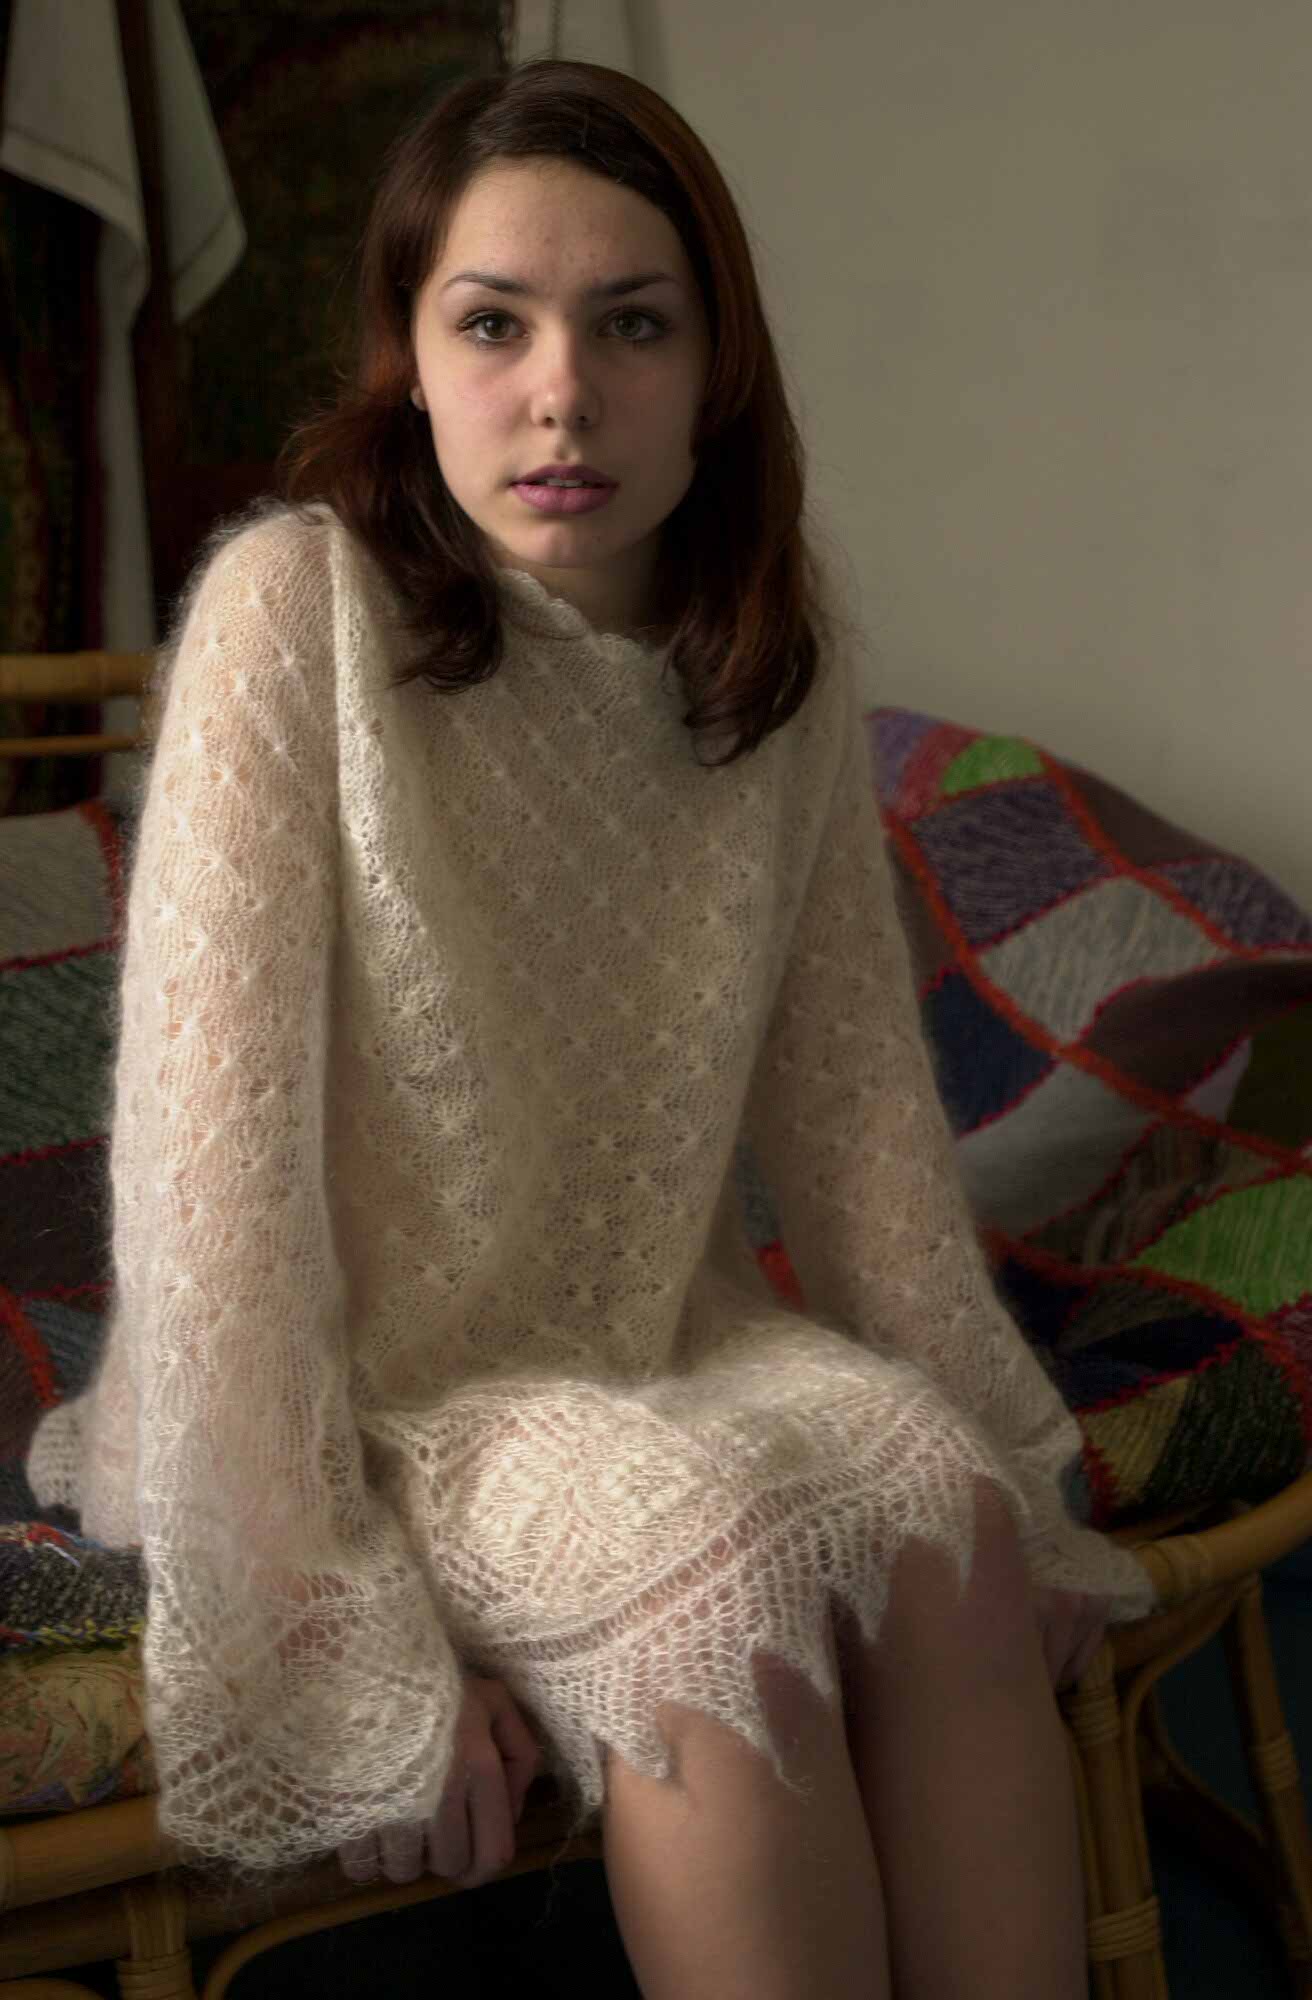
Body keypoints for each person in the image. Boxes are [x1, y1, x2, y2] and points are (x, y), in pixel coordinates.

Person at [25, 56, 1159, 2000]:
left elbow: (860, 1135)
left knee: (945, 1506)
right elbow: (207, 1193)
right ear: (409, 357)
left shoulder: (769, 659)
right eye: (494, 324)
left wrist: (1009, 1466)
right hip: (354, 1396)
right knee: (710, 1563)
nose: (561, 393)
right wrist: (332, 1641)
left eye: (632, 325)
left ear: (715, 370)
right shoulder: (294, 614)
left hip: (653, 1338)